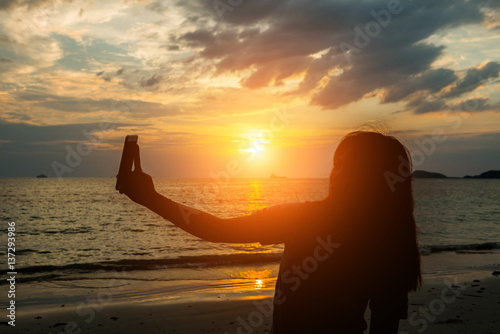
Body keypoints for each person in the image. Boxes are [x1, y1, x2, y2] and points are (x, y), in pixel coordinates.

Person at [118, 130, 422, 334]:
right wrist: (151, 199)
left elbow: (385, 325)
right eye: (337, 164)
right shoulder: (388, 238)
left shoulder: (315, 220)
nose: (338, 174)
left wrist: (151, 198)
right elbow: (217, 229)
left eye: (351, 167)